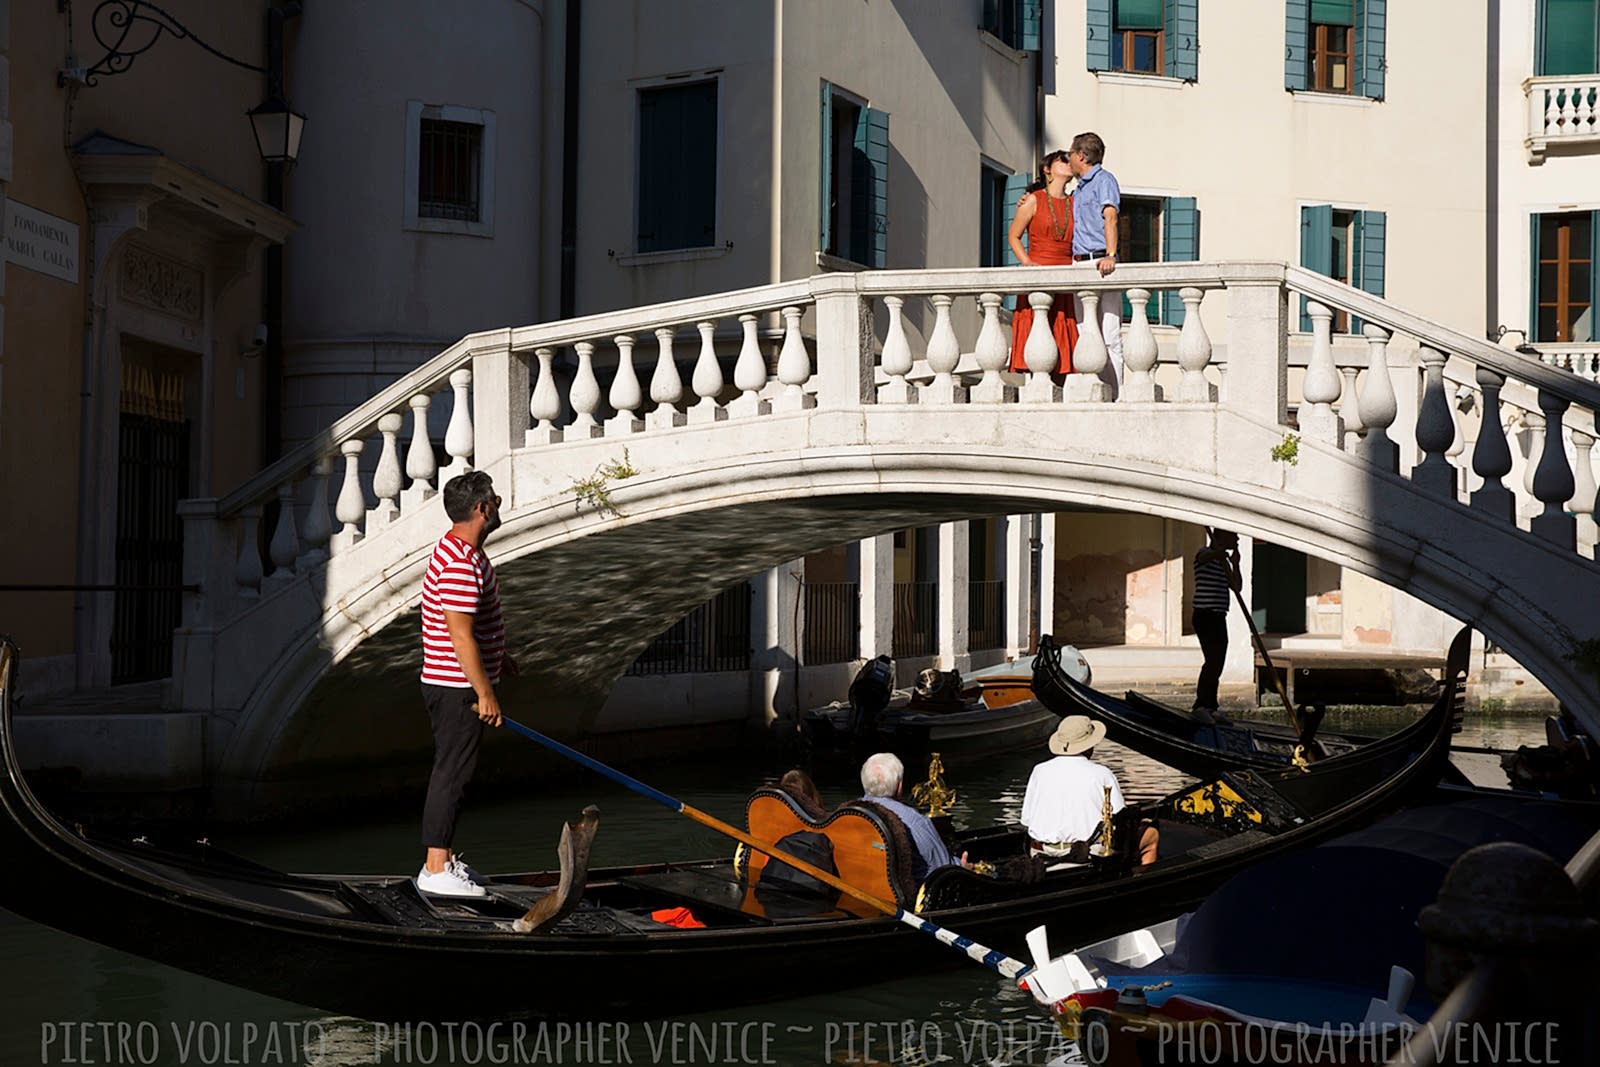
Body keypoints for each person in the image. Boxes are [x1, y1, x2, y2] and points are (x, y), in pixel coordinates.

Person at [416, 470, 519, 897]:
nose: (498, 503)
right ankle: (435, 868)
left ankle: (444, 859)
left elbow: (468, 627)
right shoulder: (460, 562)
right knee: (452, 773)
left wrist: (500, 657)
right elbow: (459, 634)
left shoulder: (463, 552)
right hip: (456, 686)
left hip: (455, 680)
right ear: (482, 509)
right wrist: (485, 692)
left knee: (454, 769)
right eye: (494, 498)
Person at [1021, 715, 1159, 866]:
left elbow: (1027, 819)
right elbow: (1119, 817)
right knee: (1151, 835)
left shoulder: (1039, 770)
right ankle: (1136, 880)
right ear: (1089, 746)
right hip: (1085, 854)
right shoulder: (1102, 773)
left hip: (1039, 853)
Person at [1006, 149, 1080, 373]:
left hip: (1065, 272)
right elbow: (1013, 236)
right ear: (1047, 169)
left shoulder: (1076, 201)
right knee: (1038, 335)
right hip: (1039, 268)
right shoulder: (1033, 200)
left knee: (1062, 334)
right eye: (1062, 161)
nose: (1068, 163)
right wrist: (1026, 262)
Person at [1067, 132, 1124, 396]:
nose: (1069, 158)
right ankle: (1094, 391)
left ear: (1081, 155)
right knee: (1086, 332)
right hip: (1080, 262)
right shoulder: (1079, 188)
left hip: (1101, 260)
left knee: (1110, 333)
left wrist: (1111, 254)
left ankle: (1115, 393)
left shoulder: (1104, 180)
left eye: (1071, 153)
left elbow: (1110, 218)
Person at [857, 752, 965, 883]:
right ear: (899, 786)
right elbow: (943, 868)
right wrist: (963, 866)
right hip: (912, 897)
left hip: (865, 886)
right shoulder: (914, 821)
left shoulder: (851, 813)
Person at [1192, 528, 1242, 724]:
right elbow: (1206, 557)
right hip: (1205, 616)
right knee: (1212, 661)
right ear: (1220, 538)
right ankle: (1201, 706)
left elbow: (1236, 587)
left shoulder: (1224, 563)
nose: (1237, 538)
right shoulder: (1203, 553)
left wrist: (1235, 565)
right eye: (1233, 535)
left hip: (1219, 616)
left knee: (1218, 662)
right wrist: (1218, 553)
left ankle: (1211, 706)